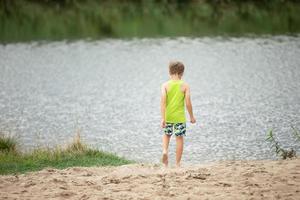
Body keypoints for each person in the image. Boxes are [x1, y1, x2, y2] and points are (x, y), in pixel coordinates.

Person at [160, 61, 196, 167]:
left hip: (168, 116)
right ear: (182, 73)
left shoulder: (165, 85)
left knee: (167, 135)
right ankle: (177, 163)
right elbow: (188, 103)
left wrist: (163, 118)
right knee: (179, 138)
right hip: (179, 118)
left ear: (169, 72)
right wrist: (191, 116)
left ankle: (165, 151)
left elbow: (163, 102)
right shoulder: (185, 85)